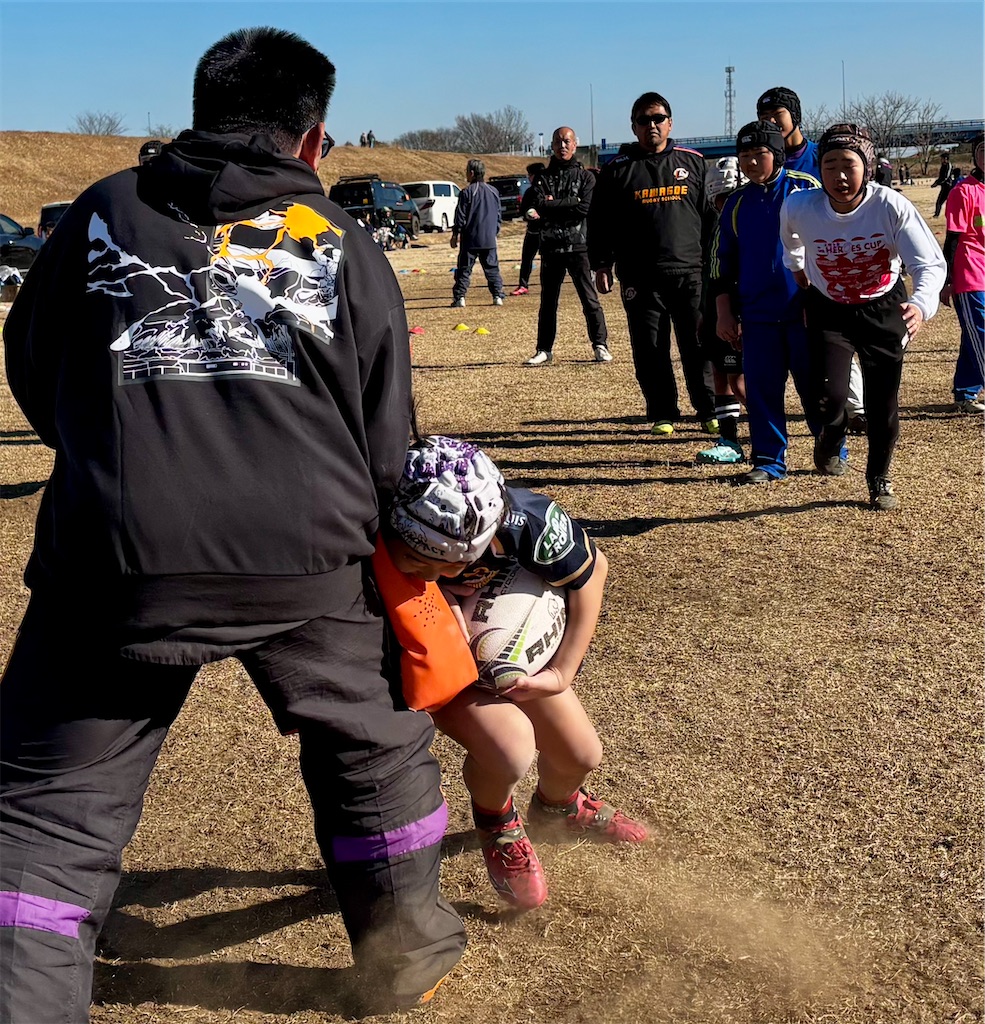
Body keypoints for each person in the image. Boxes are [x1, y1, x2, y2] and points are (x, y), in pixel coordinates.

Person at [0, 26, 466, 1022]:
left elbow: (35, 366)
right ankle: (405, 952)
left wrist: (115, 449)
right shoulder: (339, 238)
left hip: (118, 556)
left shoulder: (100, 212)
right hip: (308, 555)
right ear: (313, 140)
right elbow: (387, 430)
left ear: (203, 113)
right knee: (373, 747)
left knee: (47, 810)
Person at [383, 435, 646, 910]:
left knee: (581, 754)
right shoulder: (374, 524)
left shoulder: (525, 519)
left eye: (460, 560)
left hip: (504, 650)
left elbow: (592, 571)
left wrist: (562, 673)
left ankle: (560, 808)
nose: (443, 570)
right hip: (437, 658)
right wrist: (440, 609)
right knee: (510, 750)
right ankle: (496, 823)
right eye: (424, 561)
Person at [780, 124, 947, 510]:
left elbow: (929, 263)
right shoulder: (800, 205)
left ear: (867, 168)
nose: (839, 175)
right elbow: (790, 237)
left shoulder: (889, 205)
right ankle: (831, 435)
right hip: (829, 309)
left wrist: (921, 305)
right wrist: (798, 265)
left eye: (849, 165)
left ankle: (878, 477)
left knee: (881, 403)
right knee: (828, 398)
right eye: (830, 165)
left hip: (883, 308)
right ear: (819, 169)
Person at [711, 121, 836, 483]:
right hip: (757, 314)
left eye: (759, 154)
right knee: (762, 389)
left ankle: (830, 449)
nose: (750, 162)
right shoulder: (735, 203)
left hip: (804, 310)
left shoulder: (806, 188)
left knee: (816, 386)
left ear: (777, 154)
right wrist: (724, 311)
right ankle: (768, 460)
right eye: (744, 155)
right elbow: (722, 263)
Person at [589, 91, 717, 436]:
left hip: (690, 272)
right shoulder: (617, 171)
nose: (652, 126)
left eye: (658, 118)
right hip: (640, 276)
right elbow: (599, 222)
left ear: (670, 123)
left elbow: (709, 218)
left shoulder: (692, 163)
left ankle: (708, 408)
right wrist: (601, 264)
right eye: (644, 120)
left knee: (698, 345)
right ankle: (662, 411)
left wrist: (714, 266)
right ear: (634, 127)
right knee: (650, 348)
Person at [523, 127, 611, 366]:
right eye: (558, 142)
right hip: (550, 248)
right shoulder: (543, 178)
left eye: (567, 141)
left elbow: (584, 209)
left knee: (589, 299)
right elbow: (538, 204)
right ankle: (544, 349)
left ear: (575, 145)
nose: (563, 146)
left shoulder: (586, 177)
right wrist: (567, 204)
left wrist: (552, 206)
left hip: (579, 246)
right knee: (548, 302)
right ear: (552, 146)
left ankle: (600, 344)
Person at [697, 156, 748, 464]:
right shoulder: (717, 229)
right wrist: (707, 312)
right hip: (717, 310)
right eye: (719, 199)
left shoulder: (750, 232)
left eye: (730, 197)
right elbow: (713, 275)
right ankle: (729, 438)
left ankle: (771, 432)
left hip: (740, 311)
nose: (724, 205)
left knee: (740, 380)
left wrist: (736, 314)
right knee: (720, 373)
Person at [941, 130, 984, 413]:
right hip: (970, 273)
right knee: (981, 333)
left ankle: (965, 394)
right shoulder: (963, 191)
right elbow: (953, 239)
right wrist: (947, 279)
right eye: (982, 150)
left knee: (973, 336)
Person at [450, 158, 505, 308]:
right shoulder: (493, 191)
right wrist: (495, 231)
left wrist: (455, 234)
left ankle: (460, 297)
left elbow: (460, 216)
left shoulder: (467, 192)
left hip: (471, 239)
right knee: (492, 269)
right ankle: (497, 295)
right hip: (489, 238)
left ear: (472, 173)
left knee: (464, 270)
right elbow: (499, 215)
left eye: (467, 172)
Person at [755, 86, 818, 175]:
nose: (771, 121)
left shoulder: (823, 157)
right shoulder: (762, 161)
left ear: (795, 115)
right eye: (765, 117)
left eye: (778, 114)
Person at [511, 161, 545, 296]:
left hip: (537, 232)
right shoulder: (545, 189)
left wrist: (533, 214)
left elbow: (522, 210)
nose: (528, 178)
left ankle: (524, 284)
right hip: (539, 231)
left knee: (528, 259)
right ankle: (524, 285)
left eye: (529, 175)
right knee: (531, 259)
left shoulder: (533, 191)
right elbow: (524, 211)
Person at [932, 153, 954, 217]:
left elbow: (946, 177)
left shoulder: (948, 165)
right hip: (944, 186)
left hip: (948, 186)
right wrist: (936, 182)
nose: (941, 160)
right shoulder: (943, 165)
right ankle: (936, 214)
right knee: (940, 202)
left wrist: (938, 183)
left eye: (942, 158)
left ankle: (937, 215)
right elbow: (941, 177)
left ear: (946, 159)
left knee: (941, 201)